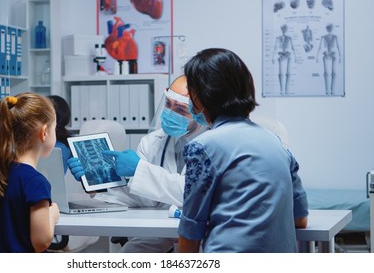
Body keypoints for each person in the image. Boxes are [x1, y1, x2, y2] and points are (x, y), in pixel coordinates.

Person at [179, 48, 308, 253]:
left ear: (203, 95)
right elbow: (300, 220)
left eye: (191, 92)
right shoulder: (276, 143)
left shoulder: (202, 147)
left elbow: (190, 233)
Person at [67, 75, 207, 252]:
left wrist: (139, 169)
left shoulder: (211, 144)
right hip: (157, 234)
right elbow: (144, 198)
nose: (171, 113)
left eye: (181, 109)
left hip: (201, 238)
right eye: (168, 104)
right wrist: (99, 185)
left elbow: (191, 193)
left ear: (201, 113)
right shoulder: (152, 141)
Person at [0, 95, 73, 252]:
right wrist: (52, 214)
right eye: (54, 129)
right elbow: (41, 241)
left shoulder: (2, 175)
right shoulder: (36, 182)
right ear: (44, 133)